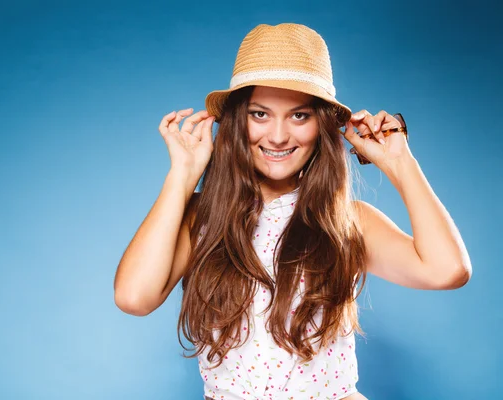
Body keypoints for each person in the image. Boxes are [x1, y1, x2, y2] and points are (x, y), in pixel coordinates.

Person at [113, 23, 471, 400]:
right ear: (237, 121)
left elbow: (448, 270)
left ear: (321, 125)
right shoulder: (201, 218)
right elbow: (134, 298)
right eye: (260, 114)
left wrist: (400, 163)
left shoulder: (347, 221)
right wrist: (183, 176)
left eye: (299, 116)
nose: (279, 136)